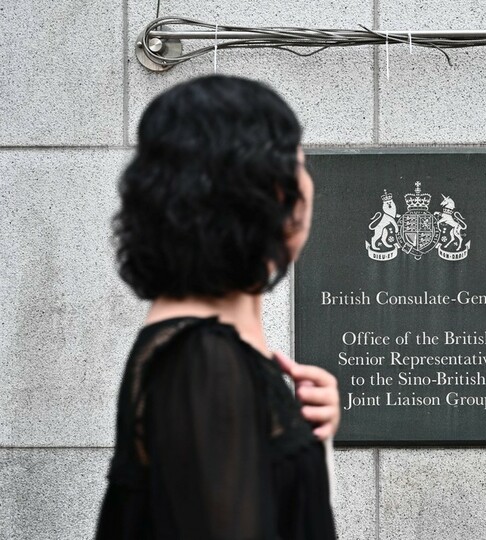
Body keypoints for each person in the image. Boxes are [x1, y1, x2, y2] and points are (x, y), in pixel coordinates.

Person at [95, 74, 339, 539]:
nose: (307, 181)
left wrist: (299, 439)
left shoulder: (204, 355)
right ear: (265, 193)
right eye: (297, 161)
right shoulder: (203, 364)